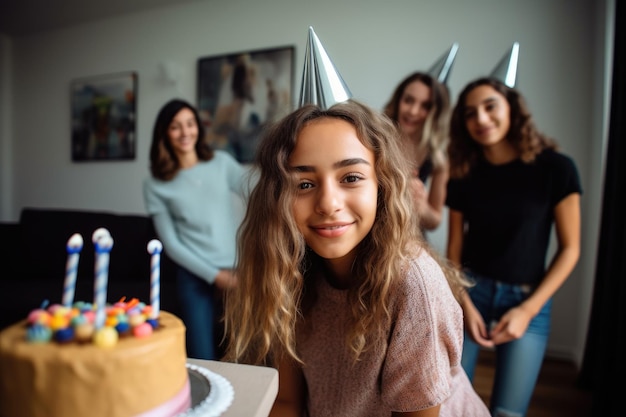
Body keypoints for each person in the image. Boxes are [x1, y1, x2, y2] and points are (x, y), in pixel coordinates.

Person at [222, 99, 490, 416]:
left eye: (350, 178)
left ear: (383, 184)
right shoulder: (290, 270)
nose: (328, 203)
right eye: (304, 184)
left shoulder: (415, 286)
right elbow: (287, 402)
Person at [445, 77, 582, 416]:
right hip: (470, 295)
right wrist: (464, 304)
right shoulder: (464, 171)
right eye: (470, 113)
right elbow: (454, 248)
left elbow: (570, 249)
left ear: (512, 109)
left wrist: (528, 309)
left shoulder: (557, 168)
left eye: (490, 106)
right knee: (449, 399)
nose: (481, 119)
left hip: (527, 301)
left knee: (509, 412)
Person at [143, 98, 252, 360]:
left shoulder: (221, 163)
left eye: (190, 124)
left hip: (239, 268)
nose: (185, 132)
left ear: (198, 128)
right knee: (201, 355)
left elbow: (257, 192)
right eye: (175, 127)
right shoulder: (155, 184)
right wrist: (217, 277)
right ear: (164, 133)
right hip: (195, 274)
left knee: (247, 353)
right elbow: (172, 244)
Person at [383, 71, 451, 233]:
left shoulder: (437, 159)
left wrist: (421, 205)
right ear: (398, 100)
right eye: (408, 100)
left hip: (409, 240)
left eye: (425, 106)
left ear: (436, 113)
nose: (413, 111)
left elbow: (434, 221)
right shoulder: (376, 139)